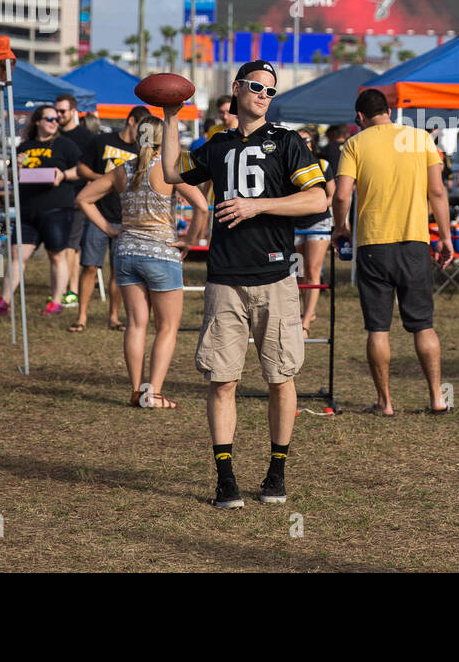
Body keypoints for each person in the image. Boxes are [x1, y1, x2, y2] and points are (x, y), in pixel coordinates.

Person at [161, 60, 327, 509]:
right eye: (256, 87)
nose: (263, 95)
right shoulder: (218, 144)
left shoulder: (288, 141)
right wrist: (171, 117)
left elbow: (318, 197)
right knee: (222, 379)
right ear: (236, 88)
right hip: (224, 279)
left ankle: (276, 472)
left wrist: (259, 207)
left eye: (270, 91)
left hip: (275, 277)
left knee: (280, 376)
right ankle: (225, 478)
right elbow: (173, 172)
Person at [332, 89, 453, 416]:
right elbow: (438, 191)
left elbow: (343, 194)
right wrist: (445, 237)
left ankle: (385, 402)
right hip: (414, 242)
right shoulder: (421, 139)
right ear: (388, 110)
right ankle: (437, 399)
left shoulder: (355, 144)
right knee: (423, 325)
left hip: (372, 244)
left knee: (378, 328)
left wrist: (339, 226)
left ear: (360, 118)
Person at [79, 117, 207, 408]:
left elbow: (84, 198)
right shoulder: (169, 171)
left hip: (125, 252)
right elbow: (201, 205)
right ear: (165, 140)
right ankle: (155, 394)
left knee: (136, 325)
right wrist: (191, 240)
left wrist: (111, 229)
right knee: (166, 327)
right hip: (161, 253)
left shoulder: (122, 169)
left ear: (138, 138)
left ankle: (137, 391)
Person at [0, 104, 83, 317]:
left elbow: (82, 170)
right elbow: (12, 177)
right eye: (49, 118)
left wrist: (63, 175)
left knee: (56, 255)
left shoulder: (65, 145)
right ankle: (5, 301)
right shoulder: (25, 146)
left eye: (57, 119)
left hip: (56, 207)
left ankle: (56, 301)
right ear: (37, 121)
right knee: (17, 253)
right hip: (28, 209)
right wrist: (16, 168)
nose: (54, 122)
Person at [71, 105, 147, 332]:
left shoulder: (140, 148)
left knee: (119, 271)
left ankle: (114, 317)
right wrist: (107, 180)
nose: (143, 135)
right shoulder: (102, 141)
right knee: (90, 267)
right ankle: (81, 317)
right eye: (141, 128)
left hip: (125, 217)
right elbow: (81, 169)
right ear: (131, 121)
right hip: (99, 214)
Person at [55, 93, 96, 309]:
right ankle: (62, 289)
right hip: (54, 198)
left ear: (73, 111)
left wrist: (87, 194)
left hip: (77, 198)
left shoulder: (85, 137)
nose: (58, 116)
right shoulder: (52, 134)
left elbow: (93, 169)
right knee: (61, 247)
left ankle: (71, 291)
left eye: (62, 111)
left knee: (71, 246)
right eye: (56, 111)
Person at [294, 126, 336, 335]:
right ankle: (305, 312)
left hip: (318, 222)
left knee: (312, 270)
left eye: (307, 140)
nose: (304, 144)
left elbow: (333, 196)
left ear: (314, 143)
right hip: (294, 224)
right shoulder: (288, 165)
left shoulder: (322, 164)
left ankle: (306, 323)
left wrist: (315, 204)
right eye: (299, 140)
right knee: (297, 273)